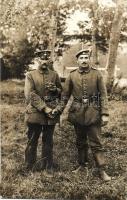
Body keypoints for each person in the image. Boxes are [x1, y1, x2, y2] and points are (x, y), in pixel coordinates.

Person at [54, 45, 111, 181]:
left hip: (93, 112)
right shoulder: (72, 75)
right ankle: (82, 165)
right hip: (77, 113)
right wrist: (59, 110)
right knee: (80, 141)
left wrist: (105, 113)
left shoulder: (97, 74)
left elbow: (103, 95)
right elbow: (65, 96)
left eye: (86, 58)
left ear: (89, 60)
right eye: (81, 58)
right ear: (77, 61)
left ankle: (101, 170)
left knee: (96, 142)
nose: (84, 60)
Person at [24, 49, 62, 175]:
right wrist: (44, 108)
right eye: (41, 58)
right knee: (33, 139)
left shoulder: (54, 74)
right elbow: (30, 95)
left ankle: (47, 164)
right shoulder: (30, 75)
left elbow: (60, 92)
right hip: (35, 111)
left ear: (49, 60)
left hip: (51, 114)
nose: (44, 61)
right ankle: (29, 165)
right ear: (37, 60)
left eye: (46, 58)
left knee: (48, 140)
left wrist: (55, 89)